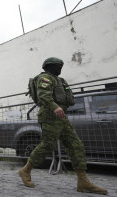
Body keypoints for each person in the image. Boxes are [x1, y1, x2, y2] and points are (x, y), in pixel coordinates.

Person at [18, 57, 108, 195]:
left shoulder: (60, 80)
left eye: (61, 66)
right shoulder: (45, 78)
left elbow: (68, 97)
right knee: (47, 145)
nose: (60, 68)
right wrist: (55, 107)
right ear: (49, 66)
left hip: (61, 116)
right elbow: (43, 95)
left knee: (75, 144)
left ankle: (83, 181)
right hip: (49, 115)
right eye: (57, 66)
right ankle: (25, 170)